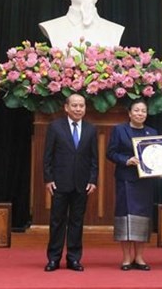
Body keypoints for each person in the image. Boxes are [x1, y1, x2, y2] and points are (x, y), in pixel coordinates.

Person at [43, 94, 98, 272]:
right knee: (57, 221)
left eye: (81, 106)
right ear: (66, 107)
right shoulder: (55, 127)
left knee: (76, 222)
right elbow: (47, 156)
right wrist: (48, 178)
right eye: (74, 105)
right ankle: (53, 258)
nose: (78, 109)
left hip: (82, 184)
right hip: (59, 183)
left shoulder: (91, 129)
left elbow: (94, 158)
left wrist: (93, 179)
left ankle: (74, 258)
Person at [106, 99, 157, 271]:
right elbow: (111, 152)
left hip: (145, 182)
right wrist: (126, 160)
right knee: (125, 217)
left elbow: (157, 156)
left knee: (142, 218)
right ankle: (127, 258)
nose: (140, 113)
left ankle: (140, 257)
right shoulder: (119, 130)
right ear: (129, 113)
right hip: (125, 180)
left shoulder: (153, 132)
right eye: (136, 110)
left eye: (143, 111)